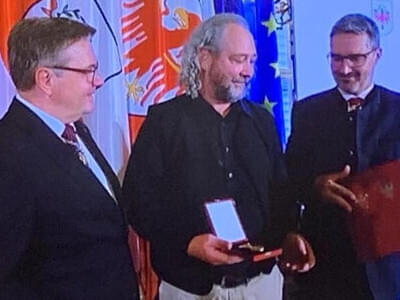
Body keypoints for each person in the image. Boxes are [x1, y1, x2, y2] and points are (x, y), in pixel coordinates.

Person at [123, 13, 314, 300]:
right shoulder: (164, 121)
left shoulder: (261, 121)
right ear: (204, 58)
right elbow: (138, 204)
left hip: (260, 284)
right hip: (189, 287)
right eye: (238, 60)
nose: (248, 71)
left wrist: (291, 234)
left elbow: (281, 194)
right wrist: (189, 243)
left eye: (251, 60)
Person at [0, 17, 139, 299]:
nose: (98, 81)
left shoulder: (74, 128)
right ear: (46, 79)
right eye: (88, 71)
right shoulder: (8, 154)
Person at [286, 13, 400, 300]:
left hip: (390, 272)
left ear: (377, 55)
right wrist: (315, 187)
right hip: (326, 271)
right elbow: (286, 181)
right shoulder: (307, 113)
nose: (344, 68)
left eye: (355, 58)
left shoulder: (397, 110)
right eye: (336, 58)